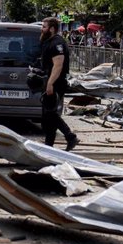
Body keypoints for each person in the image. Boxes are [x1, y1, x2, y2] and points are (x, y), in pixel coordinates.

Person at [40, 17, 79, 151]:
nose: (42, 29)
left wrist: (50, 83)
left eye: (44, 27)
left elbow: (58, 65)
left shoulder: (57, 43)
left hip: (56, 82)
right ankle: (49, 146)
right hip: (50, 81)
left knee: (51, 114)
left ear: (51, 29)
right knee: (48, 116)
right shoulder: (49, 42)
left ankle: (70, 136)